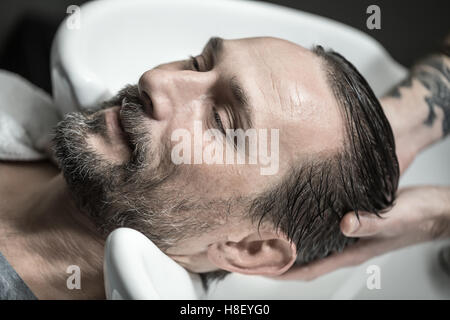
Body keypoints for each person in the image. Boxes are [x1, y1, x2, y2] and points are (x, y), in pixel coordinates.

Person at [0, 35, 442, 299]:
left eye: (222, 121)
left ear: (250, 248)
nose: (157, 80)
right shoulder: (18, 112)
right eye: (199, 62)